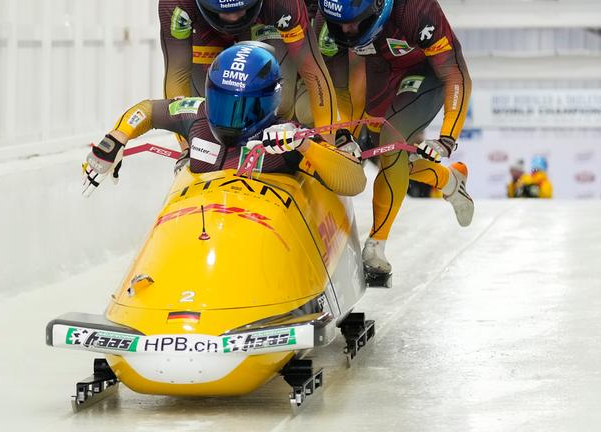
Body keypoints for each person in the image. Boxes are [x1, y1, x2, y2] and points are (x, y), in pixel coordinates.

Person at [317, 0, 474, 281]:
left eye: (356, 22)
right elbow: (337, 89)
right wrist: (342, 134)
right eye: (339, 24)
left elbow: (455, 74)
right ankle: (449, 180)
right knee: (384, 155)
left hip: (426, 73)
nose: (347, 30)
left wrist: (447, 138)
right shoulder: (329, 21)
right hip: (380, 70)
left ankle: (376, 245)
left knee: (392, 141)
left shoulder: (415, 9)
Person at [82, 43, 365, 198]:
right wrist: (116, 138)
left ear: (269, 101)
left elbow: (353, 182)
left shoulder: (287, 137)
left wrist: (306, 147)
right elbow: (146, 110)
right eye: (223, 102)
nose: (232, 118)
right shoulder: (197, 112)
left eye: (244, 106)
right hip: (201, 223)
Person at [158, 0, 340, 161]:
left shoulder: (284, 4)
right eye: (225, 12)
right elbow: (177, 72)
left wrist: (328, 147)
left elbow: (313, 71)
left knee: (281, 102)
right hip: (205, 34)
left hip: (263, 26)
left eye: (241, 9)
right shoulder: (176, 4)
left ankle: (281, 154)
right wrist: (187, 149)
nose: (233, 18)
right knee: (207, 115)